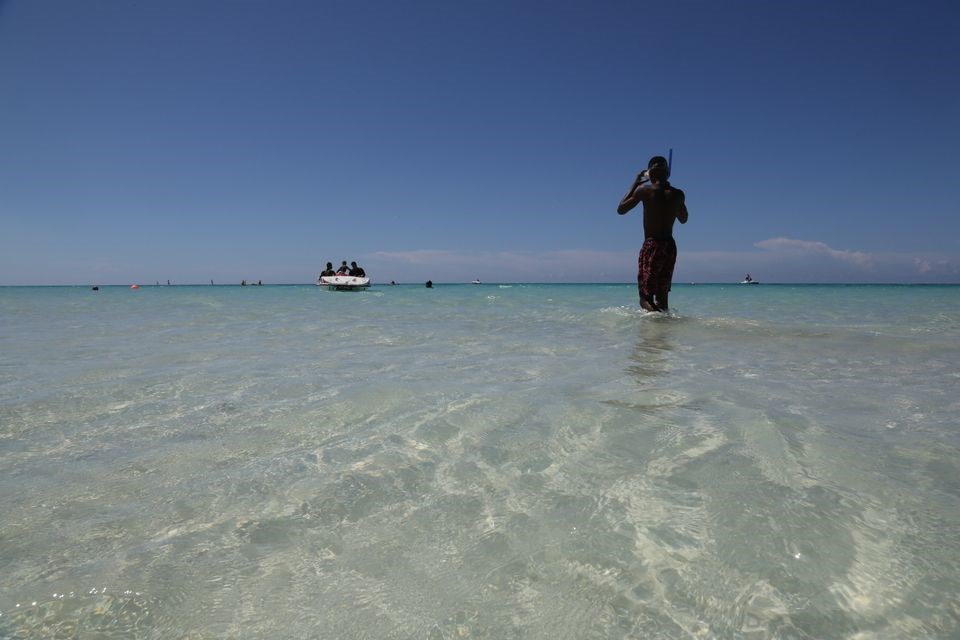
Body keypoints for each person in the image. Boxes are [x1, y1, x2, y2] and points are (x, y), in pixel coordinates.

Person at [617, 155, 688, 312]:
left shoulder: (644, 191)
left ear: (649, 174)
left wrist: (635, 182)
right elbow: (684, 219)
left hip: (652, 245)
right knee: (662, 297)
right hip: (669, 246)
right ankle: (663, 333)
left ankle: (653, 331)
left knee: (645, 298)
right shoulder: (678, 194)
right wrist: (673, 205)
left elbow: (621, 209)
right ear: (667, 172)